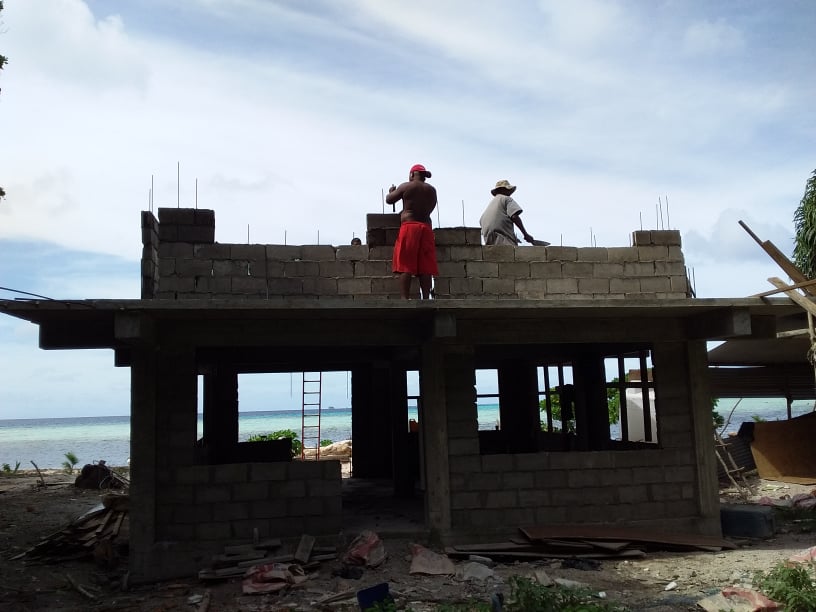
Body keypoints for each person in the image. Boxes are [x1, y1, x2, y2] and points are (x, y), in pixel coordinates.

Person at [385, 163, 439, 299]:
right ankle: (426, 297)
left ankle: (405, 298)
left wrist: (392, 191)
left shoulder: (406, 186)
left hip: (410, 227)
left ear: (411, 174)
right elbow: (431, 208)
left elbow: (389, 200)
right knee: (425, 266)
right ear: (424, 176)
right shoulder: (432, 190)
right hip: (426, 228)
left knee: (405, 264)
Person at [480, 179, 546, 246]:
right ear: (503, 190)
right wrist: (525, 234)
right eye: (508, 190)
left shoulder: (491, 205)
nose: (510, 192)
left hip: (489, 242)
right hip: (504, 241)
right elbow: (514, 216)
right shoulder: (506, 199)